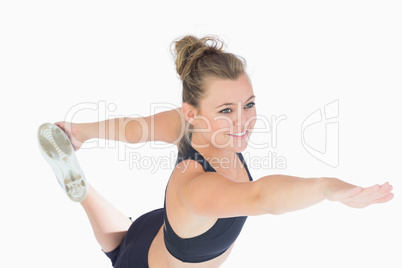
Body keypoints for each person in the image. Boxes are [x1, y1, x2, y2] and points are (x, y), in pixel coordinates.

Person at [38, 35, 394, 268]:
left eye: (249, 104)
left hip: (158, 229)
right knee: (121, 251)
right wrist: (326, 188)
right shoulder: (195, 187)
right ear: (193, 112)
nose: (243, 121)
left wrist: (78, 132)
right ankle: (82, 193)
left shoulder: (187, 125)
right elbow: (260, 196)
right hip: (148, 258)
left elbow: (136, 128)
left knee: (125, 240)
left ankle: (82, 188)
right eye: (226, 110)